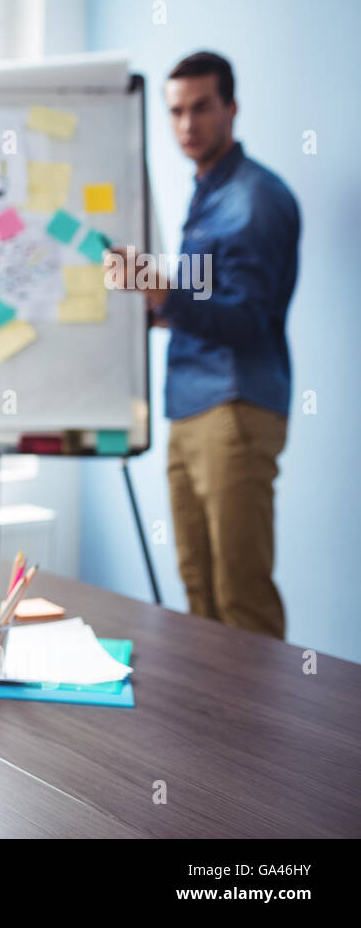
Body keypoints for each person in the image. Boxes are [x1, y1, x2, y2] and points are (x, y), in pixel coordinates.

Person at [107, 51, 299, 639]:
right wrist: (157, 308)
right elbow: (212, 303)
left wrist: (165, 293)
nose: (186, 125)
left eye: (201, 108)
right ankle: (217, 732)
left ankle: (262, 733)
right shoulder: (207, 193)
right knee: (198, 583)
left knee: (241, 592)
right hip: (190, 407)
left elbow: (249, 319)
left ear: (231, 108)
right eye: (175, 112)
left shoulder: (256, 198)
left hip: (234, 406)